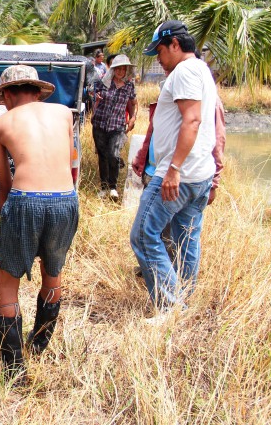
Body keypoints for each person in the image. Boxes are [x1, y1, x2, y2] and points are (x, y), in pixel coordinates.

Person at [0, 65, 79, 380]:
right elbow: (69, 161)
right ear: (38, 91)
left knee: (7, 285)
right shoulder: (65, 114)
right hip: (66, 198)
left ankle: (14, 371)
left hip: (25, 198)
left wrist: (6, 216)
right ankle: (38, 344)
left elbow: (4, 183)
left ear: (8, 95)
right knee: (52, 274)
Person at [130, 20, 217, 315]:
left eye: (160, 51)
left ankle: (170, 307)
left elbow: (192, 120)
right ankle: (185, 301)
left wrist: (174, 169)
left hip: (181, 173)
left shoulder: (185, 71)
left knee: (143, 235)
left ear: (175, 45)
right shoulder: (202, 70)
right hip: (200, 173)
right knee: (185, 239)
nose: (158, 58)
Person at [92, 54, 138, 200]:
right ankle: (104, 187)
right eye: (118, 69)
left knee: (114, 155)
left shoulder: (129, 86)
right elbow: (94, 96)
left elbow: (134, 103)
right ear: (113, 70)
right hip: (100, 124)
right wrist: (96, 99)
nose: (120, 72)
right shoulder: (103, 83)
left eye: (123, 69)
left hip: (118, 126)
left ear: (127, 71)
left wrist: (133, 118)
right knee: (103, 156)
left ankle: (113, 187)